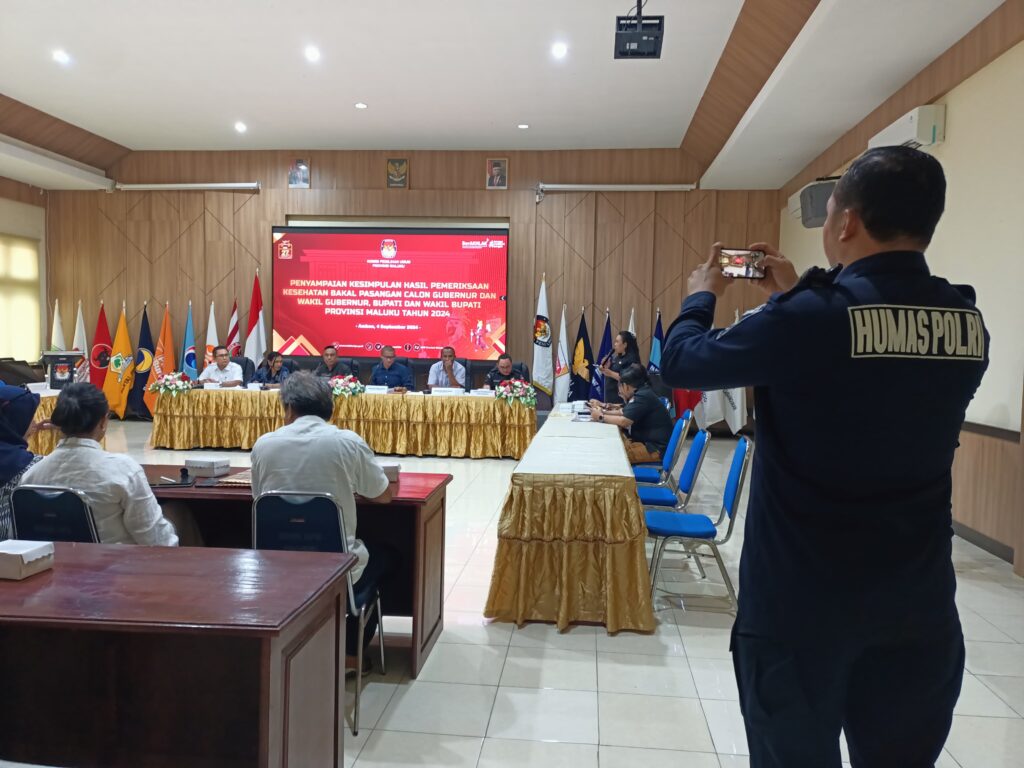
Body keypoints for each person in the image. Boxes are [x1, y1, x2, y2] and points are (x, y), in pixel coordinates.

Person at [659, 146, 988, 767]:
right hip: (916, 605)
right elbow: (872, 367)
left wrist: (701, 295)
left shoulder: (808, 319)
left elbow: (682, 361)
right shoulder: (965, 320)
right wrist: (796, 293)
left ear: (846, 222)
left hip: (802, 605)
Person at [250, 372, 393, 669]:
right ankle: (351, 650)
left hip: (276, 568)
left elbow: (259, 499)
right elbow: (382, 495)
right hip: (335, 568)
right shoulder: (347, 442)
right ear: (329, 408)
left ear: (289, 408)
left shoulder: (263, 445)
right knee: (390, 555)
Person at [21, 382, 179, 546]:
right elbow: (158, 541)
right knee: (179, 513)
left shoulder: (31, 476)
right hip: (115, 561)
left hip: (54, 561)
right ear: (103, 422)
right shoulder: (125, 471)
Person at [589, 364, 673, 464]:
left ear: (626, 386)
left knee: (613, 454)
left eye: (620, 386)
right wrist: (603, 411)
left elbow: (624, 421)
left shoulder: (643, 396)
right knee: (611, 444)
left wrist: (600, 416)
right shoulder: (643, 392)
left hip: (654, 449)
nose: (619, 390)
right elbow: (623, 411)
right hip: (647, 442)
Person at [0, 383, 46, 540]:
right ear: (16, 421)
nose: (34, 423)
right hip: (11, 551)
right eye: (29, 418)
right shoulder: (33, 467)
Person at [598, 330, 641, 404]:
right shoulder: (617, 357)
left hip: (620, 399)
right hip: (609, 397)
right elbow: (612, 372)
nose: (615, 344)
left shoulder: (632, 359)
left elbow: (628, 378)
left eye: (617, 342)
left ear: (625, 344)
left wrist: (610, 373)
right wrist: (607, 367)